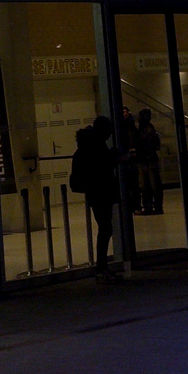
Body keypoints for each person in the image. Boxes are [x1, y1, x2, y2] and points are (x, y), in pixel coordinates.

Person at [70, 114, 120, 275]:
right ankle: (101, 267)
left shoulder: (89, 143)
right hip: (100, 191)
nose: (110, 133)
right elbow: (101, 166)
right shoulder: (95, 145)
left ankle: (102, 266)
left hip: (96, 191)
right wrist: (115, 157)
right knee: (105, 228)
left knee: (105, 228)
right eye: (108, 130)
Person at [134, 110, 164, 216]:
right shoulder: (148, 129)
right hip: (148, 160)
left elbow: (148, 145)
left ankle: (150, 206)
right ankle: (153, 206)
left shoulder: (146, 130)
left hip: (146, 160)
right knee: (150, 185)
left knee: (149, 185)